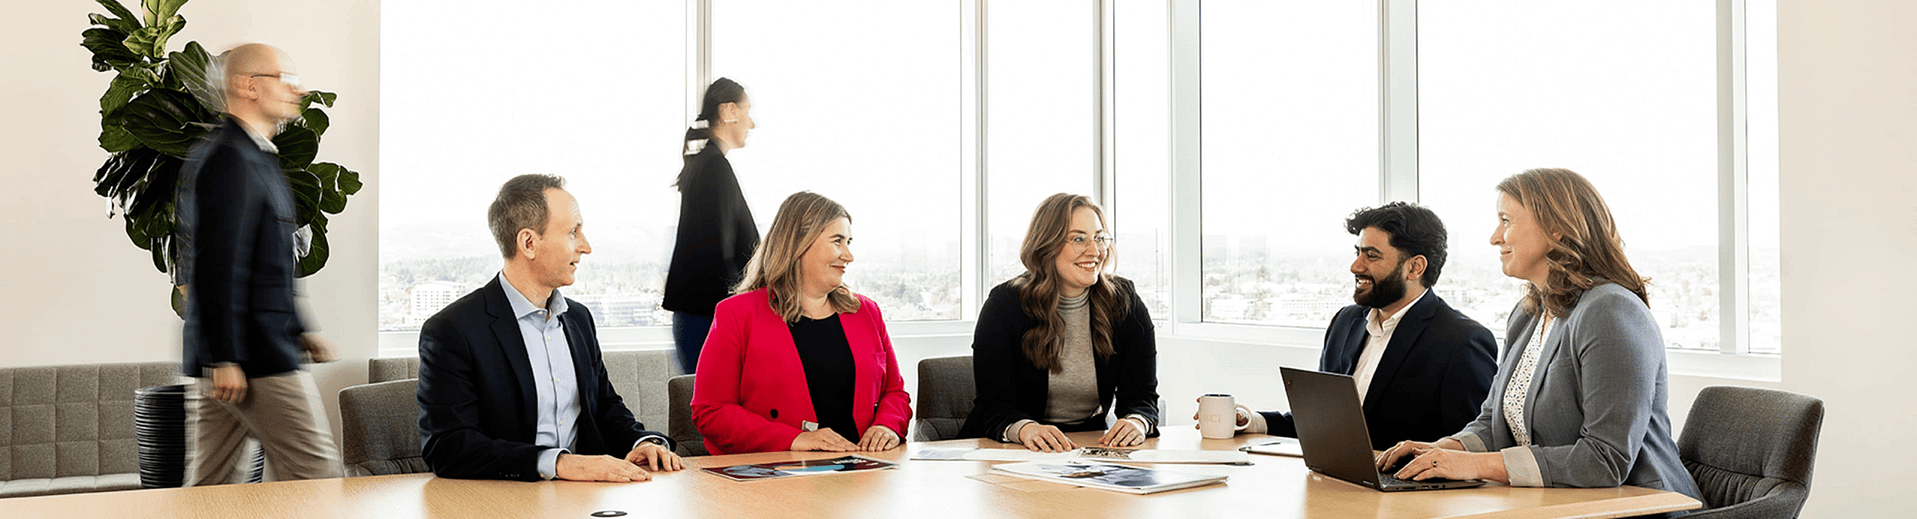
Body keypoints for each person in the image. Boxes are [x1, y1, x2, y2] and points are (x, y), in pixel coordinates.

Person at [1376, 169, 1703, 510]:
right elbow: (1492, 424)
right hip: (1559, 506)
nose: (1494, 237)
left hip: (1641, 507)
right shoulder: (1529, 313)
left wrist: (1473, 465)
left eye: (1506, 220)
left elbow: (1605, 459)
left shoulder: (1610, 310)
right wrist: (1439, 451)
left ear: (1557, 228)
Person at [417, 174, 683, 482]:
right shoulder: (452, 330)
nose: (586, 246)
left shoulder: (578, 319)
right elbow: (446, 447)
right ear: (528, 242)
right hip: (501, 501)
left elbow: (605, 407)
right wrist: (559, 463)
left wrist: (642, 442)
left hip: (584, 501)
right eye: (573, 232)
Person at [178, 43, 342, 485]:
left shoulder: (257, 156)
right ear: (247, 85)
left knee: (211, 487)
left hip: (251, 349)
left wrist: (303, 328)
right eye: (284, 77)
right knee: (317, 475)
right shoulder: (228, 159)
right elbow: (216, 264)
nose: (297, 88)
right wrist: (225, 357)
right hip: (255, 356)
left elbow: (268, 263)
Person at [1216, 202, 1498, 450]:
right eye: (1358, 252)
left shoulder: (1462, 340)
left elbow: (1467, 446)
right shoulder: (1346, 322)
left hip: (1406, 502)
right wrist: (1252, 421)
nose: (1356, 266)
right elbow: (1323, 424)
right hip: (1332, 488)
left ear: (1415, 268)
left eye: (1371, 256)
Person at [690, 192, 913, 455]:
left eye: (849, 241)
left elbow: (895, 392)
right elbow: (711, 410)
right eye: (838, 241)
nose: (849, 255)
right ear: (799, 243)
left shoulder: (867, 312)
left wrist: (887, 425)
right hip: (775, 475)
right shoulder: (737, 314)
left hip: (864, 470)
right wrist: (795, 439)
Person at [960, 193, 1160, 452]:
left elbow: (1142, 395)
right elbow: (992, 404)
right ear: (1047, 245)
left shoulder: (1124, 301)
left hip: (1085, 446)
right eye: (1079, 239)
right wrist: (1026, 429)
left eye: (1099, 238)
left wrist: (1137, 422)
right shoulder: (1005, 303)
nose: (1095, 251)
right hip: (1010, 448)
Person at [663, 78, 759, 374]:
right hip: (707, 319)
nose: (752, 123)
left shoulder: (706, 164)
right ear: (729, 111)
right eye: (747, 111)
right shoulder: (714, 168)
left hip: (700, 316)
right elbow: (717, 253)